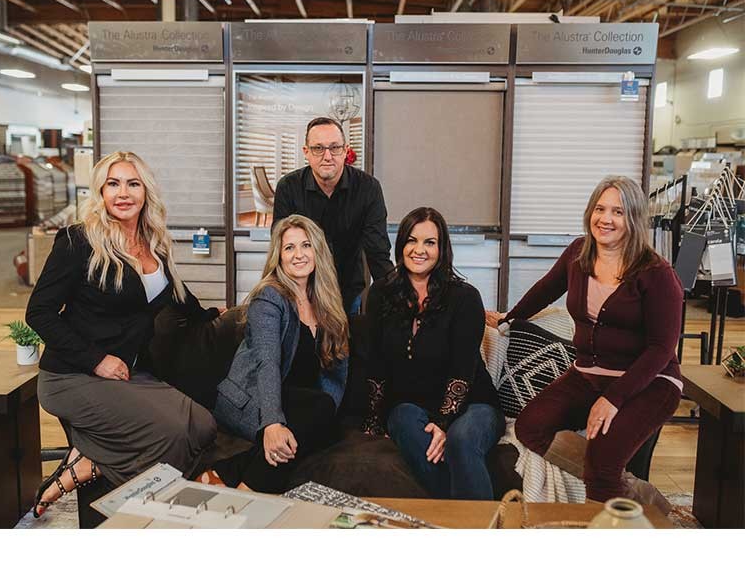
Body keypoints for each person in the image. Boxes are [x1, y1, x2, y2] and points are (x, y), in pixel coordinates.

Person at [26, 151, 217, 517]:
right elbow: (39, 313)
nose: (123, 193)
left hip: (126, 373)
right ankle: (141, 515)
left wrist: (214, 316)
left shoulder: (154, 243)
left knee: (202, 425)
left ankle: (92, 463)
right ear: (100, 192)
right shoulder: (77, 241)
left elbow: (178, 295)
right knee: (173, 434)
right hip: (71, 375)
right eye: (113, 184)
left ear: (146, 191)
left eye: (133, 183)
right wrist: (96, 360)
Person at [486, 175, 683, 503]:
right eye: (600, 209)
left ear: (633, 219)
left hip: (649, 383)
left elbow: (661, 349)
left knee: (602, 460)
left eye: (618, 212)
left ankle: (603, 500)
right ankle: (630, 489)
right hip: (589, 375)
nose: (606, 219)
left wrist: (614, 399)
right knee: (530, 426)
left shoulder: (657, 274)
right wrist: (509, 317)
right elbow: (546, 289)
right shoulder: (579, 253)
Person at [362, 206, 504, 500]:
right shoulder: (380, 295)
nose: (419, 250)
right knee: (400, 417)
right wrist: (374, 421)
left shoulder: (464, 297)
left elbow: (463, 369)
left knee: (461, 441)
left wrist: (444, 424)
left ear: (442, 249)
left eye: (430, 242)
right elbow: (374, 363)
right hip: (411, 407)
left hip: (472, 405)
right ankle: (462, 521)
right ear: (400, 245)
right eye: (411, 240)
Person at [203, 214, 349, 493]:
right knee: (319, 411)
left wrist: (325, 411)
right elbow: (267, 364)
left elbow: (335, 372)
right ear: (278, 256)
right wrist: (272, 423)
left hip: (301, 402)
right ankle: (248, 492)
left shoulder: (326, 301)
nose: (298, 255)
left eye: (305, 246)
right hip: (255, 399)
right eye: (289, 248)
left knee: (327, 416)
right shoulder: (270, 297)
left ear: (317, 251)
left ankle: (227, 471)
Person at [272, 116, 393, 315]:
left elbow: (377, 252)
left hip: (347, 290)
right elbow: (281, 250)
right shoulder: (288, 188)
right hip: (301, 293)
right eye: (318, 148)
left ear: (345, 151)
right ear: (306, 153)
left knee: (344, 345)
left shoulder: (368, 188)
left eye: (335, 147)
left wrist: (400, 295)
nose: (327, 156)